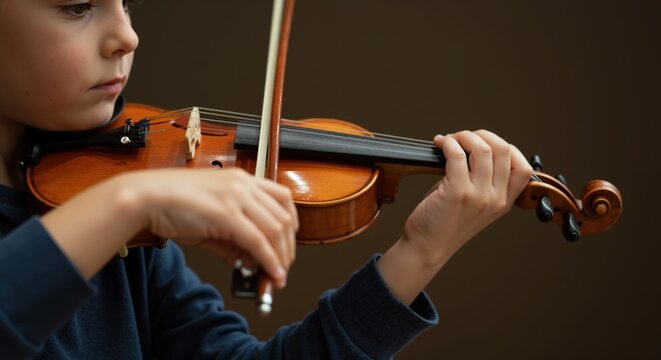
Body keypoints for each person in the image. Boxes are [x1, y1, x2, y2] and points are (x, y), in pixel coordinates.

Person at [0, 0, 532, 358]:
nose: (127, 35)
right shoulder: (125, 201)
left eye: (124, 3)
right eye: (77, 6)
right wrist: (127, 203)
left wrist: (420, 252)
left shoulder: (110, 188)